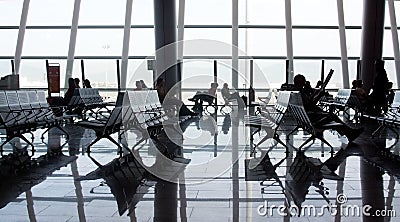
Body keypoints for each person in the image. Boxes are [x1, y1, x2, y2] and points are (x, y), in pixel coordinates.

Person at [293, 74, 363, 142]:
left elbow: (308, 104)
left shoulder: (296, 93)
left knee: (332, 117)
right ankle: (349, 133)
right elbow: (310, 104)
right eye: (303, 82)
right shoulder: (300, 93)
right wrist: (319, 95)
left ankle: (349, 133)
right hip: (312, 119)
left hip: (307, 118)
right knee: (332, 116)